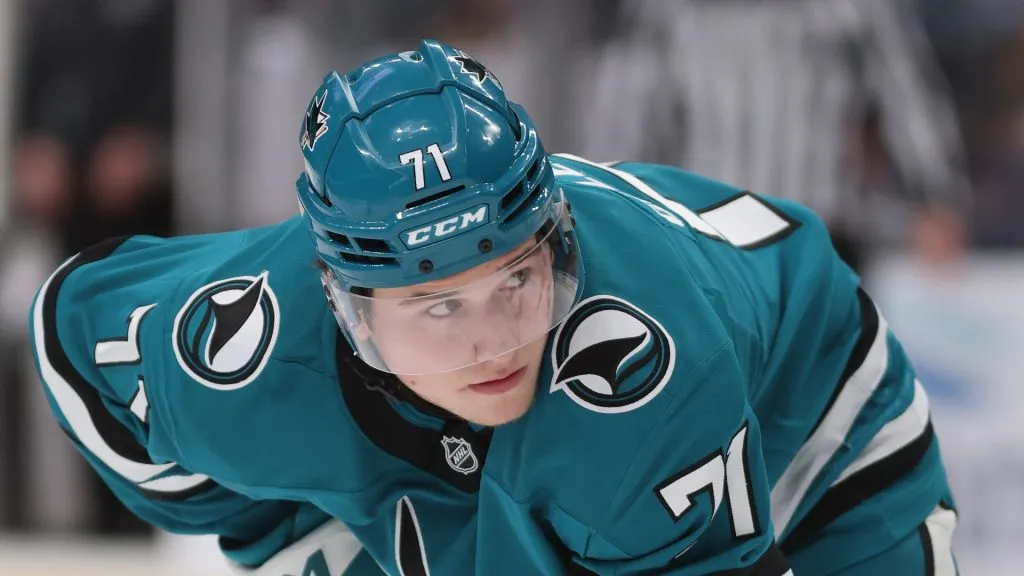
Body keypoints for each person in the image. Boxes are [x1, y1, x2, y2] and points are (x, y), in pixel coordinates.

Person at [28, 40, 957, 575]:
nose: (492, 340)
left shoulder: (646, 367)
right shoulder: (238, 342)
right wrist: (289, 538)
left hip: (815, 412)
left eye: (518, 277)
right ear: (343, 304)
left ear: (555, 243)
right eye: (435, 306)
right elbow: (73, 335)